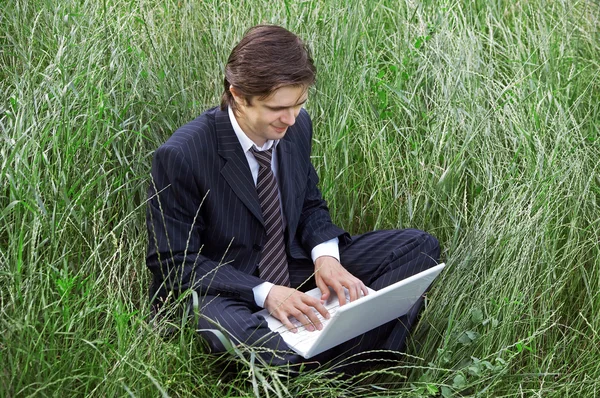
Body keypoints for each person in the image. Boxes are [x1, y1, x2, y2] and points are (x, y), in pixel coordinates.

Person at [146, 25, 440, 371]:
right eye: (277, 108)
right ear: (238, 95)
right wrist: (266, 293)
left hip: (291, 267)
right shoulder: (182, 155)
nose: (290, 118)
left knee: (418, 248)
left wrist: (326, 258)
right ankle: (347, 360)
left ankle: (330, 365)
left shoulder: (297, 126)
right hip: (225, 291)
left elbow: (309, 204)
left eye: (299, 103)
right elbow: (174, 263)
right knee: (245, 337)